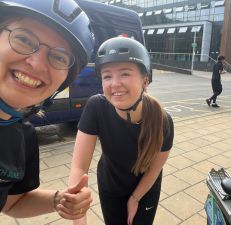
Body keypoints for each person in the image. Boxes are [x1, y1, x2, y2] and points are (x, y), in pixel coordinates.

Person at [0, 0, 95, 219]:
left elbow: (13, 204)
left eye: (59, 57)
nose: (38, 63)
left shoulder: (23, 137)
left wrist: (60, 199)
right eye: (24, 39)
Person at [68, 37, 174, 225]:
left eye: (125, 73)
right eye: (107, 76)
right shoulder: (96, 107)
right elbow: (79, 167)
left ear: (145, 81)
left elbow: (155, 169)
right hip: (111, 186)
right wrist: (78, 218)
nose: (114, 84)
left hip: (146, 187)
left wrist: (135, 198)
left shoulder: (162, 121)